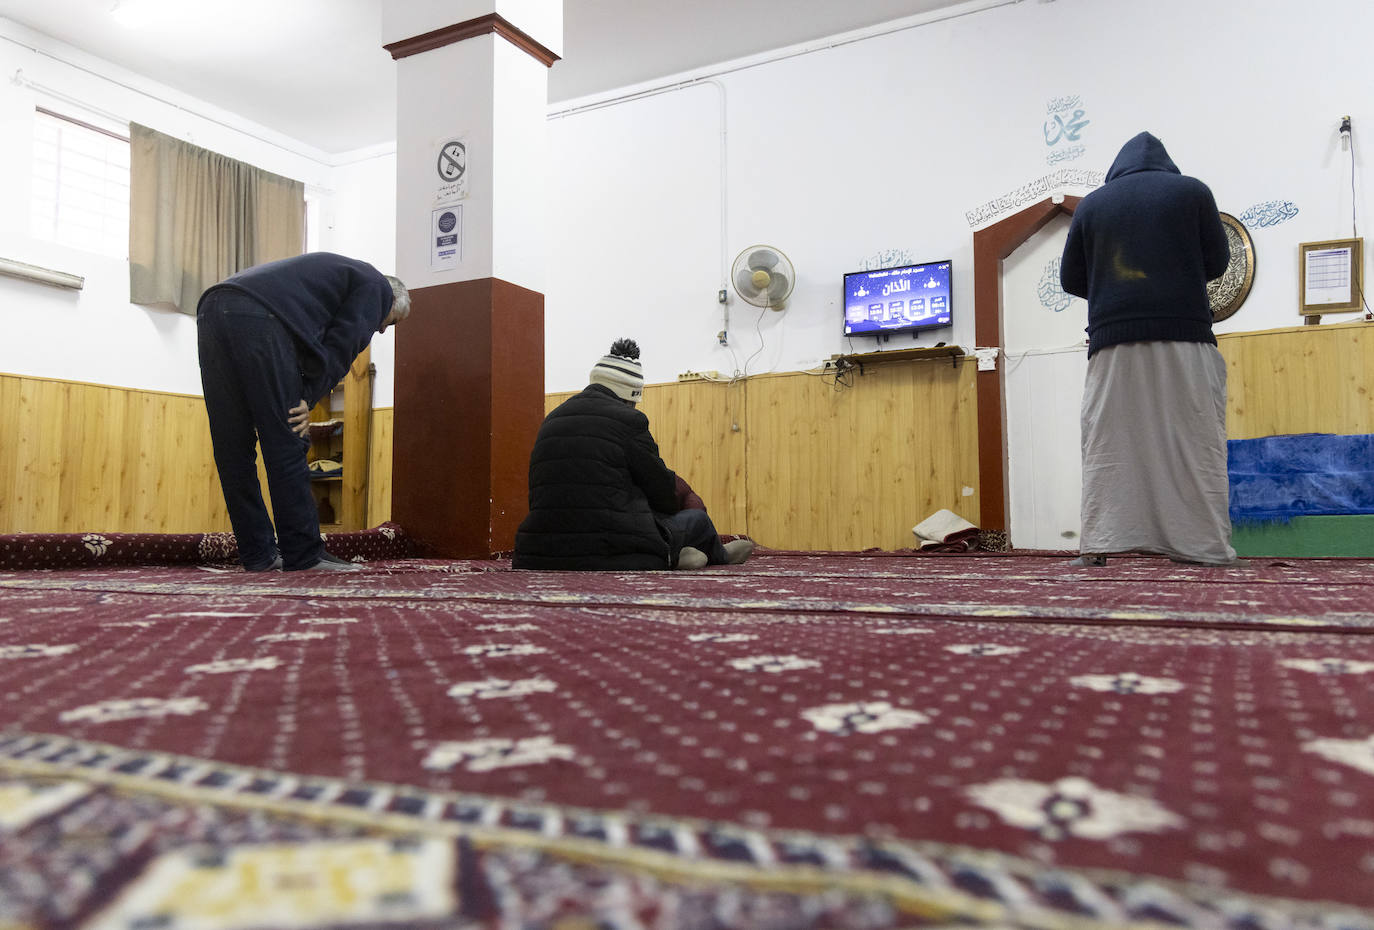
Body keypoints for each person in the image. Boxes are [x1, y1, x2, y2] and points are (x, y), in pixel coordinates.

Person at [1060, 131, 1236, 567]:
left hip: (1111, 339)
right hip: (1185, 333)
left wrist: (1112, 293)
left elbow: (1069, 280)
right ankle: (1204, 547)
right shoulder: (1192, 191)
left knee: (1108, 442)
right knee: (1194, 439)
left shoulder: (1092, 205)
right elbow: (1217, 262)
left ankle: (1100, 543)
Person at [196, 252, 410, 572]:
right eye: (389, 323)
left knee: (232, 447)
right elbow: (343, 345)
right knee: (288, 435)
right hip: (258, 315)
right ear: (392, 302)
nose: (380, 331)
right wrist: (306, 399)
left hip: (212, 309)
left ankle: (259, 555)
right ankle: (304, 554)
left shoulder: (331, 280)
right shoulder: (377, 287)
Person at [513, 338, 754, 571]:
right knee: (696, 520)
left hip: (539, 551)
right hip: (614, 550)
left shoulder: (551, 420)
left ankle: (679, 555)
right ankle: (714, 555)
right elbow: (663, 494)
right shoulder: (629, 420)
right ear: (631, 397)